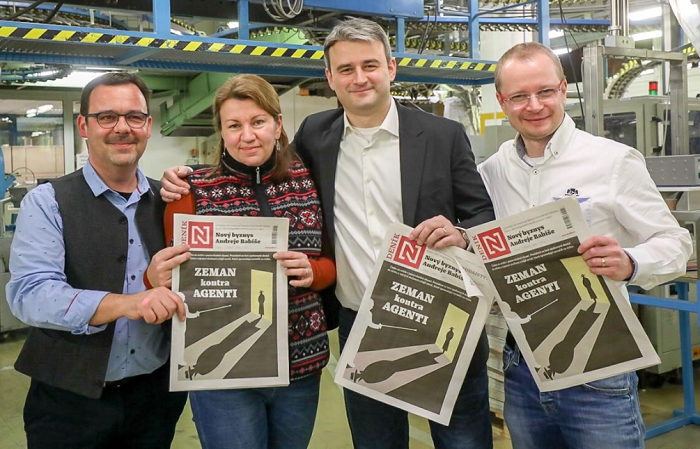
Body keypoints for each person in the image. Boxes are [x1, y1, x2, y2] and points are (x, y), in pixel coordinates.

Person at [160, 18, 495, 449]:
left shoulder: (442, 135)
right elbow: (262, 172)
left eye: (370, 65)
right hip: (361, 321)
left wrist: (462, 234)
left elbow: (482, 215)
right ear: (330, 78)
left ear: (391, 68)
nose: (359, 78)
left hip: (441, 315)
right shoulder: (316, 135)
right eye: (346, 69)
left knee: (463, 440)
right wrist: (179, 177)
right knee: (376, 442)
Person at [478, 42, 692, 448]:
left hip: (599, 367)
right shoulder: (492, 171)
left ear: (562, 89)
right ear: (502, 102)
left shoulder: (612, 161)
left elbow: (676, 243)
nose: (534, 106)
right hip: (522, 367)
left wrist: (630, 261)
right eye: (519, 96)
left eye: (545, 91)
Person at [146, 74, 336, 449]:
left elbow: (331, 262)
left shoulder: (309, 180)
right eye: (234, 125)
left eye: (258, 122)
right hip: (222, 377)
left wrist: (313, 272)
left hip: (300, 366)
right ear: (221, 131)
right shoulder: (190, 191)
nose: (247, 136)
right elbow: (167, 279)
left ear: (277, 125)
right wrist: (153, 279)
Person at [6, 72, 188, 448]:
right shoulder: (48, 202)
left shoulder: (170, 202)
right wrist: (130, 303)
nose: (122, 128)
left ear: (148, 126)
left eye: (134, 117)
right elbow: (30, 294)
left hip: (154, 399)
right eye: (107, 117)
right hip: (68, 403)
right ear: (83, 126)